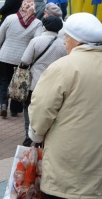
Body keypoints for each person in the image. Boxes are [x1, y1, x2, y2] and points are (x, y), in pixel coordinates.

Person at [28, 13, 102, 199]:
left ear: (77, 41)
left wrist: (36, 135)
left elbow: (42, 109)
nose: (64, 42)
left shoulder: (63, 67)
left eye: (67, 37)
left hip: (67, 164)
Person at [0, 0, 42, 118]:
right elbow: (36, 42)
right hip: (23, 59)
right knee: (18, 83)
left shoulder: (10, 18)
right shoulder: (37, 23)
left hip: (5, 56)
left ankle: (4, 104)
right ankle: (14, 109)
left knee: (4, 80)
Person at [20, 16, 66, 147]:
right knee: (50, 110)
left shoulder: (36, 41)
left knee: (29, 108)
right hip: (54, 84)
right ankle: (44, 136)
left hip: (34, 83)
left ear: (44, 26)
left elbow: (25, 60)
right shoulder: (63, 44)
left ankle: (29, 134)